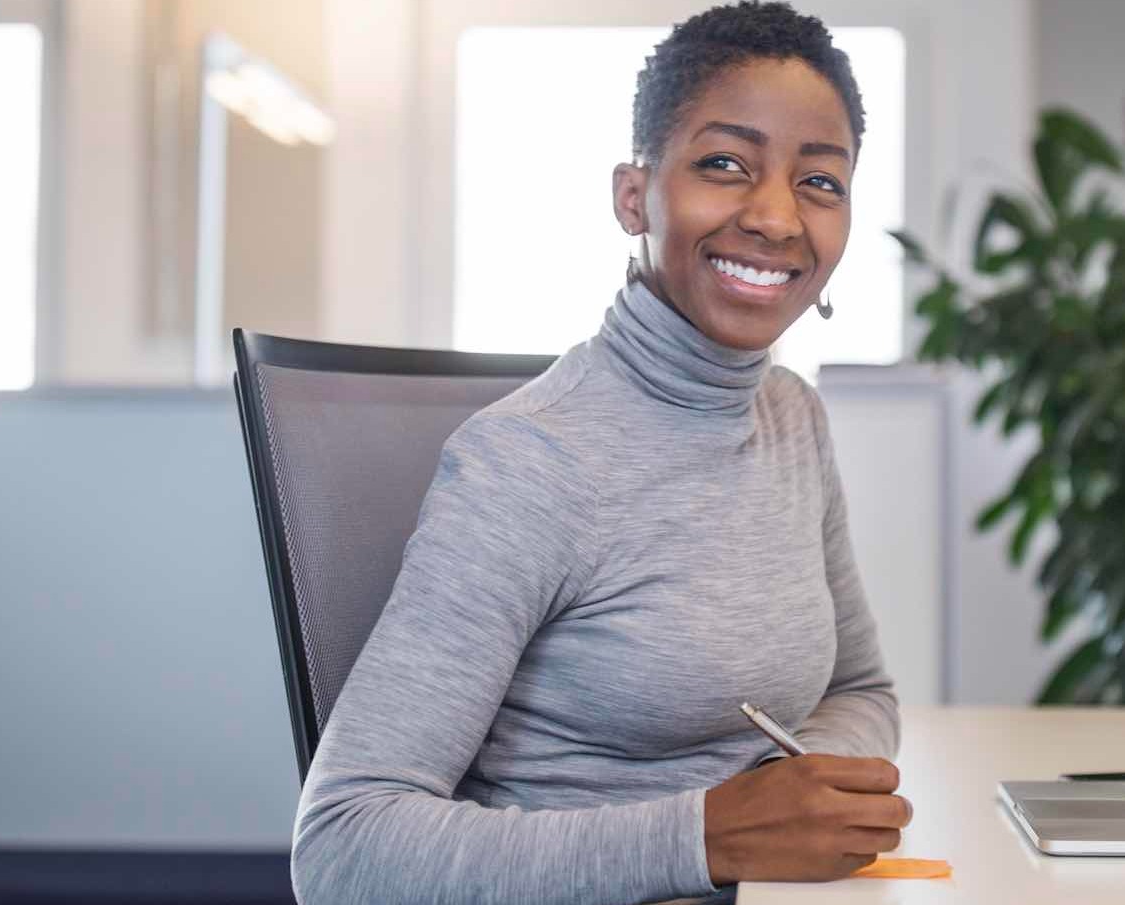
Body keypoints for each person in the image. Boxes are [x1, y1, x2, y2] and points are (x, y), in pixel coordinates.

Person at [289, 4, 907, 902]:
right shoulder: (528, 462)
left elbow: (863, 689)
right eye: (725, 164)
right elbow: (342, 849)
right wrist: (707, 834)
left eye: (820, 181)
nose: (777, 217)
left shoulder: (791, 417)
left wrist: (796, 800)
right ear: (633, 195)